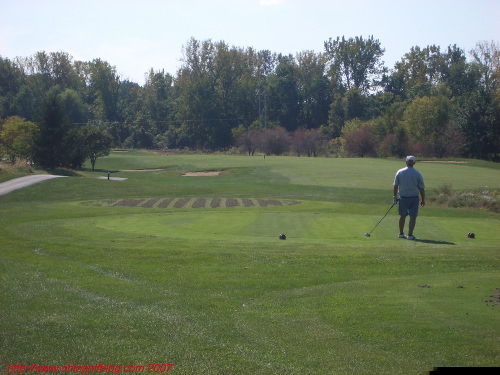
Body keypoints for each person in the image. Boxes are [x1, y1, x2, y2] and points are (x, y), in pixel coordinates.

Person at [393, 155, 425, 240]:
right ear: (414, 163)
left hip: (403, 197)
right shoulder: (417, 174)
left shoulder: (400, 172)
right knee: (413, 217)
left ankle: (401, 233)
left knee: (402, 216)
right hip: (414, 198)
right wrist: (423, 199)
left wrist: (394, 197)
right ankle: (410, 235)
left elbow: (395, 186)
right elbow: (421, 188)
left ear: (406, 162)